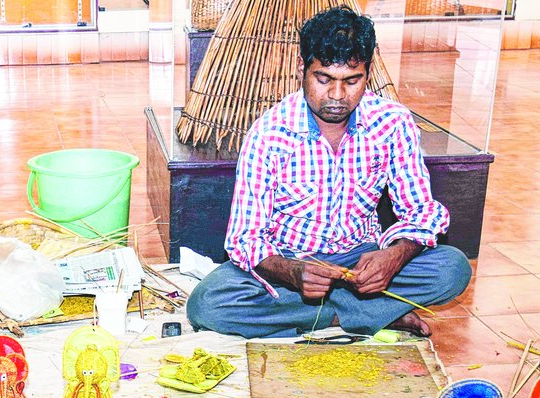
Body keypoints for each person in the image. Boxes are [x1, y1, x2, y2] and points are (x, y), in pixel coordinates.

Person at [186, 5, 471, 339]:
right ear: (302, 68)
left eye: (352, 81)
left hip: (361, 261)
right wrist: (293, 272)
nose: (337, 95)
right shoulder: (269, 134)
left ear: (368, 73)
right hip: (292, 262)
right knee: (207, 304)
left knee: (453, 269)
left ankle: (329, 314)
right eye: (323, 79)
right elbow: (244, 238)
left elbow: (422, 211)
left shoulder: (392, 123)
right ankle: (367, 314)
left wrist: (394, 256)